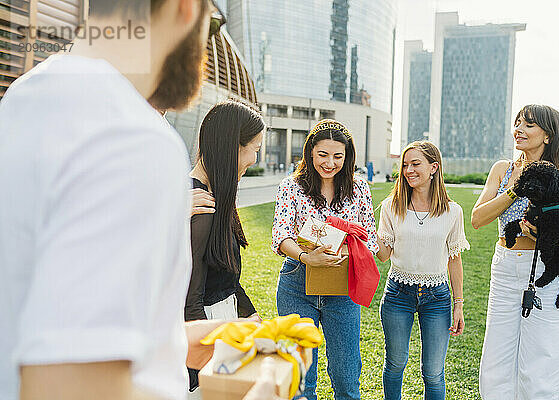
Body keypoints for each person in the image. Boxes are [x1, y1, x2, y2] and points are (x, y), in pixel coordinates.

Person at [0, 0, 280, 398]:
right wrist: (261, 390)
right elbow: (70, 386)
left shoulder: (22, 97)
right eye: (211, 26)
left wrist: (173, 342)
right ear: (185, 8)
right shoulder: (132, 137)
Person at [472, 104, 559, 399]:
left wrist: (550, 239)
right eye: (517, 122)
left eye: (528, 125)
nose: (518, 129)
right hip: (504, 268)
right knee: (496, 362)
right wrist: (516, 188)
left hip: (546, 270)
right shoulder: (502, 169)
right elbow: (478, 219)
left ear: (548, 135)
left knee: (541, 365)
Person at [271, 119, 379, 400]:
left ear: (347, 157)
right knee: (301, 377)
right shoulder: (291, 187)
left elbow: (370, 236)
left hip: (342, 288)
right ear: (310, 153)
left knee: (346, 375)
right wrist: (307, 257)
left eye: (338, 156)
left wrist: (346, 250)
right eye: (322, 155)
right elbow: (281, 236)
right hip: (297, 283)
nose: (330, 163)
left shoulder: (359, 189)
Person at [376, 141, 468, 400]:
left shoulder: (452, 212)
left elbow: (454, 259)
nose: (408, 170)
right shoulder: (391, 207)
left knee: (433, 373)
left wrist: (458, 304)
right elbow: (384, 256)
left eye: (415, 164)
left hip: (437, 298)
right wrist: (372, 238)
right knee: (395, 364)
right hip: (397, 294)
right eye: (405, 165)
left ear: (433, 168)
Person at [186, 100, 264, 396]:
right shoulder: (199, 203)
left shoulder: (216, 194)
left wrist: (249, 314)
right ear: (233, 146)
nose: (254, 159)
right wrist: (204, 369)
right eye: (254, 148)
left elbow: (225, 273)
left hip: (223, 324)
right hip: (205, 332)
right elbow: (190, 297)